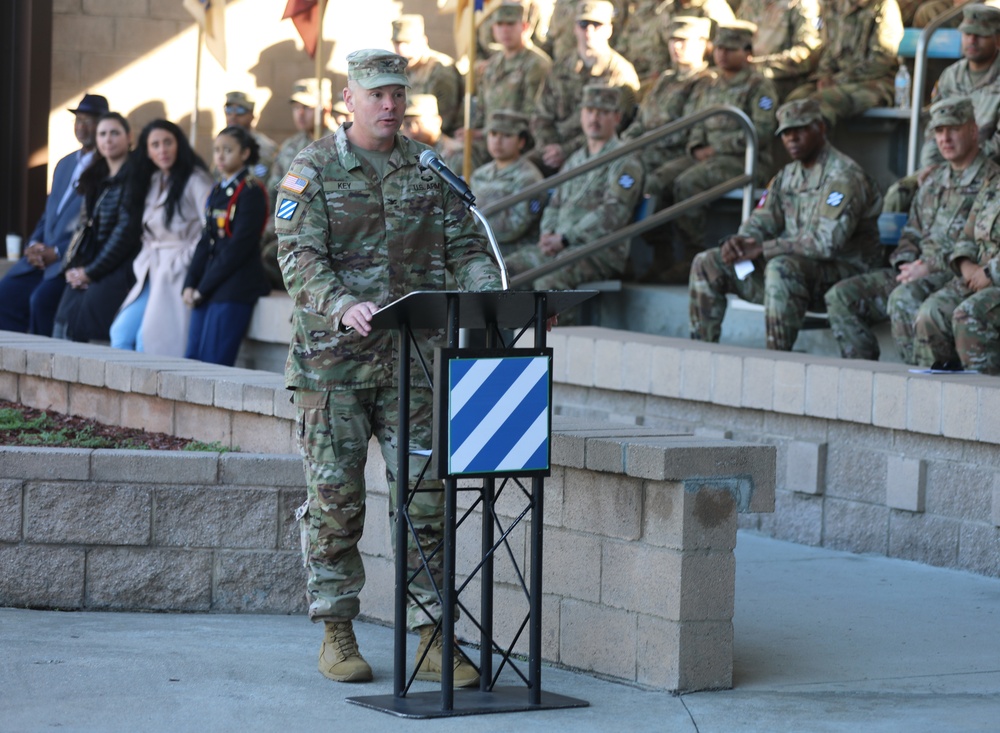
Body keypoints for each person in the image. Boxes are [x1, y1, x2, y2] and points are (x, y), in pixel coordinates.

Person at [273, 48, 502, 687]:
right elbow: (297, 259)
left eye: (397, 92)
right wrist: (343, 304)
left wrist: (495, 297)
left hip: (415, 369)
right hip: (334, 370)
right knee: (337, 503)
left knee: (427, 500)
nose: (389, 105)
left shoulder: (429, 168)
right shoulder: (312, 170)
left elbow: (467, 246)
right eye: (376, 94)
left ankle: (431, 636)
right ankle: (337, 631)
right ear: (347, 98)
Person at [689, 98, 884, 351]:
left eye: (800, 130)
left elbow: (826, 245)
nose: (792, 138)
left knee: (781, 267)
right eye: (786, 133)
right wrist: (740, 242)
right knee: (708, 263)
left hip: (840, 278)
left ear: (821, 128)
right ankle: (700, 356)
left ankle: (778, 363)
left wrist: (763, 249)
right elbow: (762, 220)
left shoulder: (844, 176)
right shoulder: (788, 175)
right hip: (793, 276)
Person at [826, 97, 1000, 363]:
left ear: (973, 131)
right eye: (939, 132)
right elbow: (912, 233)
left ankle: (920, 376)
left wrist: (929, 267)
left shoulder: (989, 180)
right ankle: (859, 380)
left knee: (903, 300)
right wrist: (907, 264)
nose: (945, 138)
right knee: (841, 296)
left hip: (952, 272)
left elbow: (975, 246)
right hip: (917, 271)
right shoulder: (932, 181)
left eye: (953, 129)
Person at [640, 21, 779, 283]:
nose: (723, 54)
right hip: (705, 156)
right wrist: (697, 146)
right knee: (656, 180)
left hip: (744, 160)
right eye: (719, 48)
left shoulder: (759, 85)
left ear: (747, 51)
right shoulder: (711, 84)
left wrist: (718, 148)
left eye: (731, 49)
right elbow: (697, 122)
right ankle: (662, 253)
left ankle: (691, 255)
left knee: (688, 183)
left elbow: (760, 131)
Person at [506, 84, 645, 289]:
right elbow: (555, 203)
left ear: (616, 117)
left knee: (548, 283)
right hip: (558, 246)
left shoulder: (625, 161)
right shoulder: (575, 160)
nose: (594, 119)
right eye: (589, 111)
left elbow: (614, 213)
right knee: (504, 270)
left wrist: (565, 238)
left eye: (603, 113)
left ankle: (560, 323)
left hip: (597, 252)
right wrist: (547, 234)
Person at [0, 93, 108, 336]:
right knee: (5, 295)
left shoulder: (105, 169)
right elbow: (49, 212)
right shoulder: (65, 163)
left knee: (40, 302)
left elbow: (93, 225)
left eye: (88, 120)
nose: (81, 126)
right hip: (39, 258)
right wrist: (34, 244)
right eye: (78, 120)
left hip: (67, 262)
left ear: (102, 124)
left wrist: (57, 251)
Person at [109, 119, 214, 357]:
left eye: (168, 142)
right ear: (147, 151)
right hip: (150, 268)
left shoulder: (196, 179)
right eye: (155, 145)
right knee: (120, 333)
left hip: (177, 272)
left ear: (179, 144)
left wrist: (183, 261)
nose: (162, 150)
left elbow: (211, 230)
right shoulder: (155, 180)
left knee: (149, 341)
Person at [883, 4, 1000, 214]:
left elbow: (997, 144)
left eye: (980, 35)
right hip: (948, 165)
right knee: (898, 194)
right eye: (967, 34)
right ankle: (899, 248)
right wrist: (931, 166)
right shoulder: (951, 76)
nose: (971, 41)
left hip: (988, 170)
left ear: (998, 39)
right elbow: (933, 129)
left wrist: (965, 166)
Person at [183, 127, 271, 366]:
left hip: (234, 286)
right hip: (210, 284)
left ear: (244, 153)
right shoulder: (218, 189)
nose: (220, 156)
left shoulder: (250, 190)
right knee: (192, 358)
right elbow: (206, 239)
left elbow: (238, 248)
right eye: (216, 150)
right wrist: (190, 283)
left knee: (213, 362)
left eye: (228, 150)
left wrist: (203, 286)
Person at [55, 112, 138, 343]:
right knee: (62, 317)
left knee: (88, 324)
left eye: (114, 133)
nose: (108, 139)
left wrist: (91, 272)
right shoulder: (95, 175)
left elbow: (124, 234)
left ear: (129, 137)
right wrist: (74, 267)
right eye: (103, 134)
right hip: (91, 261)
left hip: (121, 265)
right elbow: (83, 229)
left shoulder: (135, 176)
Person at [531, 0, 640, 176]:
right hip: (552, 151)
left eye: (596, 25)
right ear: (575, 28)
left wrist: (565, 150)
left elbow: (617, 126)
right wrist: (549, 147)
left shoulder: (620, 73)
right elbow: (541, 116)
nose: (589, 31)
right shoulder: (561, 67)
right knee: (520, 174)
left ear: (609, 30)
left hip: (595, 153)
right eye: (583, 24)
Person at [452, 2, 552, 170]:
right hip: (492, 140)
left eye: (511, 24)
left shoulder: (537, 65)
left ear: (524, 27)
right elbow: (482, 110)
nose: (505, 30)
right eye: (500, 25)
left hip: (520, 143)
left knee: (461, 158)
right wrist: (471, 131)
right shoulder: (492, 66)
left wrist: (483, 134)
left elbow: (533, 115)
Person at [262, 78, 336, 291]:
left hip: (324, 225)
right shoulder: (290, 147)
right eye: (296, 108)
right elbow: (274, 190)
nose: (300, 114)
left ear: (326, 107)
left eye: (307, 107)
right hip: (287, 221)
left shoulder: (340, 142)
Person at [784, 0, 904, 129]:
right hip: (838, 81)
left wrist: (838, 80)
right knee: (794, 100)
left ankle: (819, 148)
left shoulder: (883, 5)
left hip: (876, 82)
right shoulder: (836, 5)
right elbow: (829, 50)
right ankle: (799, 147)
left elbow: (881, 61)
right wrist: (824, 76)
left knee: (821, 101)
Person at [469, 110, 547, 256]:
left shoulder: (528, 178)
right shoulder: (480, 174)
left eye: (507, 135)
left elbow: (515, 227)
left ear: (521, 142)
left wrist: (475, 229)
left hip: (509, 250)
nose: (498, 141)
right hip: (479, 242)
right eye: (493, 134)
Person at [391, 15, 464, 135]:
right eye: (397, 43)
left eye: (407, 42)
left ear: (423, 41)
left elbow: (445, 121)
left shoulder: (441, 70)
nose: (402, 49)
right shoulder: (400, 70)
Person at [737, 0, 822, 101]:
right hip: (745, 71)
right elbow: (736, 38)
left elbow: (806, 55)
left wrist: (759, 65)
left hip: (781, 78)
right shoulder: (751, 3)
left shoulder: (802, 4)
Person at [224, 91, 278, 180]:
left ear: (252, 115)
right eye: (229, 109)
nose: (233, 115)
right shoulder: (223, 144)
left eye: (240, 110)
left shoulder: (265, 147)